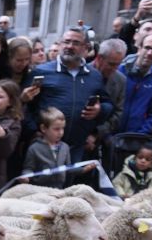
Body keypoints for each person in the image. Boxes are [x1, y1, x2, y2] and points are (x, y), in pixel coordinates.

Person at [25, 26, 112, 165]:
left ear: (86, 47)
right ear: (60, 44)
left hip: (77, 148)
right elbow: (25, 105)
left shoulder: (95, 76)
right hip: (44, 146)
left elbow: (108, 105)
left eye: (76, 43)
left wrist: (100, 110)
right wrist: (34, 131)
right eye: (66, 42)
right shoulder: (41, 72)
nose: (69, 46)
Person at [116, 33, 152, 135]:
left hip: (137, 135)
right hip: (111, 132)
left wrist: (142, 133)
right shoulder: (120, 70)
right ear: (139, 48)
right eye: (147, 48)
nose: (149, 53)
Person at [89, 38, 127, 155]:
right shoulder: (81, 73)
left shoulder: (121, 80)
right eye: (111, 64)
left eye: (118, 64)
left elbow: (118, 113)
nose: (114, 69)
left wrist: (96, 134)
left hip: (99, 140)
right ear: (99, 58)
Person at [22, 106, 69, 188]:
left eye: (63, 128)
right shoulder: (34, 148)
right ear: (43, 128)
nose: (61, 132)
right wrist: (26, 176)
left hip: (59, 189)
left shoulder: (65, 147)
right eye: (56, 129)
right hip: (39, 190)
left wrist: (83, 169)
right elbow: (28, 168)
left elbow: (69, 167)